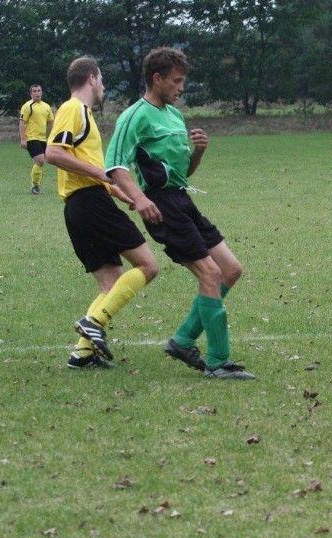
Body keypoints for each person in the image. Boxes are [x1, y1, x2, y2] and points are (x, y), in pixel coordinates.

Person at [105, 47, 255, 380]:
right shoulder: (134, 115)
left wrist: (198, 151)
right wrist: (140, 199)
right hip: (160, 206)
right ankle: (217, 362)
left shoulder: (174, 115)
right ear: (156, 79)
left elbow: (184, 173)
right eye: (176, 81)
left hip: (182, 199)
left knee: (230, 269)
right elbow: (114, 165)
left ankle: (183, 340)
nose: (181, 88)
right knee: (210, 274)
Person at [45, 57, 159, 369]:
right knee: (148, 266)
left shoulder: (84, 115)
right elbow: (53, 153)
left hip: (80, 206)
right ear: (92, 79)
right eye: (103, 80)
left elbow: (92, 172)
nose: (104, 87)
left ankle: (81, 355)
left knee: (111, 285)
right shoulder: (73, 109)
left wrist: (125, 194)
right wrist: (104, 175)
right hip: (90, 203)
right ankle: (93, 322)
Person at [19, 84, 55, 195]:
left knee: (44, 161)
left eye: (39, 91)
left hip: (43, 138)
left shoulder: (46, 106)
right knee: (39, 160)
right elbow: (22, 123)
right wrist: (23, 139)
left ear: (42, 92)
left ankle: (36, 187)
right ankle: (35, 187)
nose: (37, 93)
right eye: (34, 91)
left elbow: (52, 122)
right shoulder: (28, 106)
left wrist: (52, 136)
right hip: (32, 137)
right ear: (31, 94)